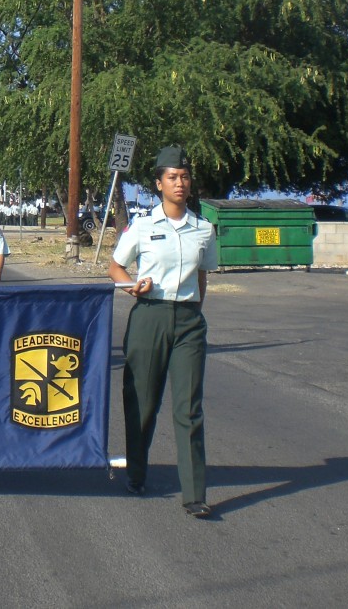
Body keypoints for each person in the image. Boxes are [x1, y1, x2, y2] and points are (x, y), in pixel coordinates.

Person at [108, 145, 219, 519]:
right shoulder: (142, 226)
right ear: (158, 183)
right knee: (141, 400)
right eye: (172, 177)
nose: (180, 183)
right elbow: (116, 267)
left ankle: (194, 494)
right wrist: (131, 286)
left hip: (187, 320)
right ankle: (137, 474)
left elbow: (202, 276)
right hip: (149, 316)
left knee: (189, 407)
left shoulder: (203, 229)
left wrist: (194, 313)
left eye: (185, 177)